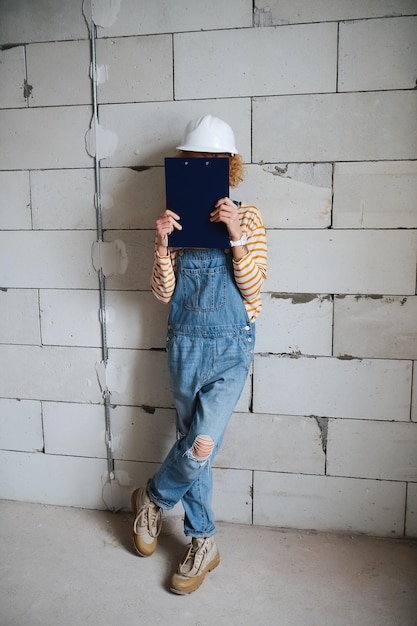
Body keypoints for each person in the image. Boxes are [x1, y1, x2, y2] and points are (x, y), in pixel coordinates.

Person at [131, 114, 267, 595]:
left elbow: (254, 288)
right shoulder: (179, 213)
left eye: (213, 161)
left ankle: (152, 497)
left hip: (232, 349)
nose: (204, 166)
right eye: (196, 160)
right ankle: (203, 540)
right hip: (185, 345)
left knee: (201, 444)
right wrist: (163, 243)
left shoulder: (247, 216)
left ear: (228, 167)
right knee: (196, 447)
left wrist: (234, 234)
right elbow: (162, 292)